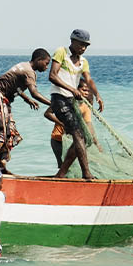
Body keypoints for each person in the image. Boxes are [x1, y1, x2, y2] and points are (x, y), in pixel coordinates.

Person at [0, 49, 52, 173]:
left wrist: (27, 99)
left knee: (11, 132)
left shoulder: (23, 65)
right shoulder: (29, 72)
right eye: (46, 63)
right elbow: (35, 93)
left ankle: (1, 165)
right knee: (3, 134)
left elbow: (13, 85)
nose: (47, 67)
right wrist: (53, 104)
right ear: (38, 60)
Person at [48, 30, 103, 180]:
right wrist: (72, 89)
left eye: (86, 45)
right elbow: (52, 75)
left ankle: (61, 173)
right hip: (59, 99)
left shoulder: (83, 62)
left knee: (84, 137)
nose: (83, 48)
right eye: (81, 44)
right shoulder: (62, 52)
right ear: (72, 41)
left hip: (70, 101)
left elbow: (89, 80)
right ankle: (86, 173)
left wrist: (97, 95)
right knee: (79, 135)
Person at [45, 80, 102, 170]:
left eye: (88, 91)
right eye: (83, 90)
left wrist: (97, 144)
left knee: (74, 167)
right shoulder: (66, 101)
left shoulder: (85, 106)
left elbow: (89, 126)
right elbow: (47, 113)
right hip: (58, 139)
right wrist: (63, 123)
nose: (86, 93)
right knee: (63, 166)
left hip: (73, 142)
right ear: (76, 89)